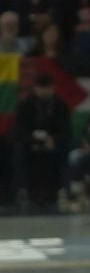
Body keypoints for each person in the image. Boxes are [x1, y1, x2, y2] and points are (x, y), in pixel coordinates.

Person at [9, 72, 71, 209]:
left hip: (53, 143)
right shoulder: (25, 105)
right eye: (41, 87)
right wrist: (35, 141)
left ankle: (62, 192)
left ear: (53, 88)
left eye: (47, 87)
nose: (44, 91)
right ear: (36, 88)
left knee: (64, 151)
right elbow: (19, 131)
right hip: (29, 143)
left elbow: (66, 131)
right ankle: (21, 191)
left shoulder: (61, 106)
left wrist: (53, 140)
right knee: (18, 150)